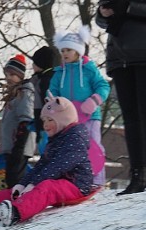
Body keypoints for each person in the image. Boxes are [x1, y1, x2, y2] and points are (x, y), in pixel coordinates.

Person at [95, 0, 146, 194]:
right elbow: (101, 21)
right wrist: (103, 14)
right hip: (120, 57)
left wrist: (128, 6)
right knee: (130, 118)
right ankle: (137, 175)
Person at [0, 94, 93, 227]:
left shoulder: (75, 139)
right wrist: (23, 184)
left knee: (46, 187)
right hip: (59, 182)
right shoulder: (55, 140)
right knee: (16, 191)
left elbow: (58, 166)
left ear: (64, 119)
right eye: (44, 120)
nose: (45, 125)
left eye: (50, 120)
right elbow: (40, 166)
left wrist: (35, 183)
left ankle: (15, 212)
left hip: (77, 185)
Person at [50, 25, 111, 186]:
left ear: (78, 51)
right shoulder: (58, 73)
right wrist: (54, 103)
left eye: (68, 50)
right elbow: (52, 92)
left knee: (93, 146)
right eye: (62, 51)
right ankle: (73, 181)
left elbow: (103, 86)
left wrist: (94, 101)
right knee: (68, 149)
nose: (64, 54)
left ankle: (97, 180)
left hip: (89, 116)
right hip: (67, 119)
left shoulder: (89, 69)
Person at [0, 54, 35, 189]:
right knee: (10, 179)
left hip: (19, 147)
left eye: (12, 75)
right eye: (7, 74)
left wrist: (19, 145)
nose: (8, 78)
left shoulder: (24, 93)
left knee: (15, 179)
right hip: (11, 147)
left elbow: (26, 119)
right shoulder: (13, 94)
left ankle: (17, 206)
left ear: (20, 76)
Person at [29, 45, 61, 153]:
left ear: (40, 64)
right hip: (41, 119)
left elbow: (45, 101)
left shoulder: (45, 80)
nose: (32, 65)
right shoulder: (40, 78)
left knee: (46, 149)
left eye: (34, 63)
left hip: (44, 120)